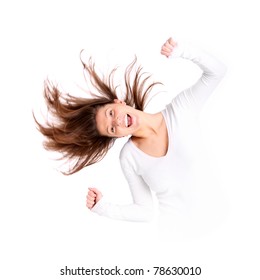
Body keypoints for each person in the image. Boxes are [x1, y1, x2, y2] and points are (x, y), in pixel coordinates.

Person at [34, 37, 227, 229]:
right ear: (116, 136)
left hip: (221, 221)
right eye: (111, 129)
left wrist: (183, 50)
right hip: (178, 234)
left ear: (118, 102)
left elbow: (217, 72)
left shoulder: (180, 110)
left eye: (110, 113)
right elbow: (146, 211)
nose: (116, 121)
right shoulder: (129, 157)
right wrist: (102, 207)